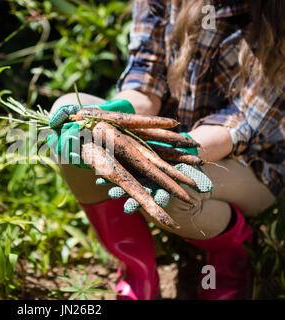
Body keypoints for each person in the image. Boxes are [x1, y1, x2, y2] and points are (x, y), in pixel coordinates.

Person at [47, 0, 284, 300]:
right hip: (170, 135)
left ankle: (232, 258)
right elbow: (146, 81)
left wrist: (162, 155)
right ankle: (138, 272)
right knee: (73, 119)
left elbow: (240, 125)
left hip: (249, 161)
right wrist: (113, 116)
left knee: (179, 189)